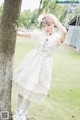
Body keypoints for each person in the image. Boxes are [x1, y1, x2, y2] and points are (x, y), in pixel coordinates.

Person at [12, 13, 67, 120]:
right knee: (23, 88)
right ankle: (17, 112)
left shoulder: (57, 38)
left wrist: (53, 19)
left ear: (53, 25)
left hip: (44, 67)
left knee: (32, 90)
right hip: (32, 62)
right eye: (44, 26)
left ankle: (23, 113)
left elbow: (64, 31)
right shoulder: (40, 34)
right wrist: (13, 31)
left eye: (48, 25)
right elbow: (25, 34)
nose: (46, 28)